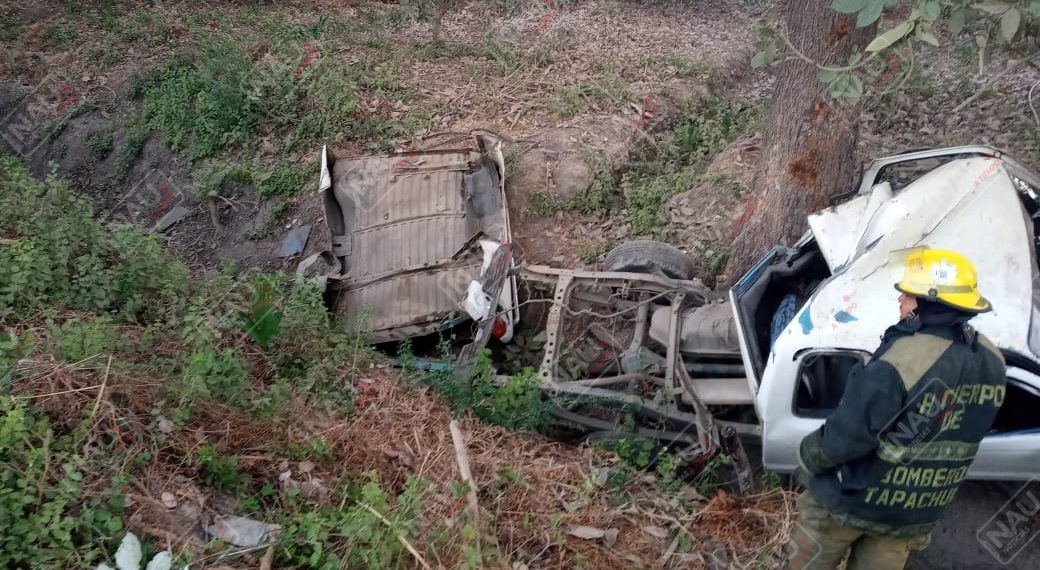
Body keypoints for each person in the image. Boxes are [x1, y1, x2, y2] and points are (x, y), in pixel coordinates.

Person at [784, 248, 1007, 570]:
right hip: (911, 515)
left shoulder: (902, 360)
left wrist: (808, 458)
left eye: (909, 294)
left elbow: (849, 434)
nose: (901, 299)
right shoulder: (992, 360)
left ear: (929, 302)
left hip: (849, 501)